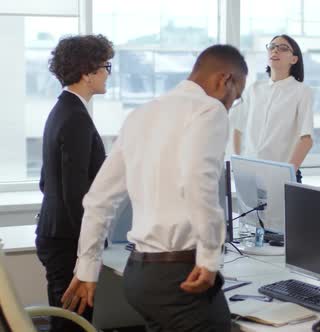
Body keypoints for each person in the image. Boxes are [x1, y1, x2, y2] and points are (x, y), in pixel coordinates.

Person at [61, 44, 247, 332]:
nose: (231, 104)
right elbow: (199, 182)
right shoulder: (209, 110)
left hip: (140, 277)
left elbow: (99, 200)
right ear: (225, 80)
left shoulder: (141, 115)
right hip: (181, 278)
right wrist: (210, 258)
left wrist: (87, 266)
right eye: (236, 96)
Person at [35, 34, 114, 332]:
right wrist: (88, 251)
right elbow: (75, 193)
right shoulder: (76, 117)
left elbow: (47, 182)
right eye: (105, 65)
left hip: (55, 234)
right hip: (67, 241)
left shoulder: (62, 110)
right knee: (74, 324)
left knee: (66, 321)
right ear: (88, 71)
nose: (108, 72)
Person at [232, 34, 313, 183]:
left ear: (294, 59)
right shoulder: (254, 89)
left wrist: (286, 174)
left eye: (283, 48)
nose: (275, 51)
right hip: (249, 176)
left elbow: (306, 139)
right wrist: (238, 167)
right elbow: (236, 128)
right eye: (272, 47)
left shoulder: (301, 91)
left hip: (282, 176)